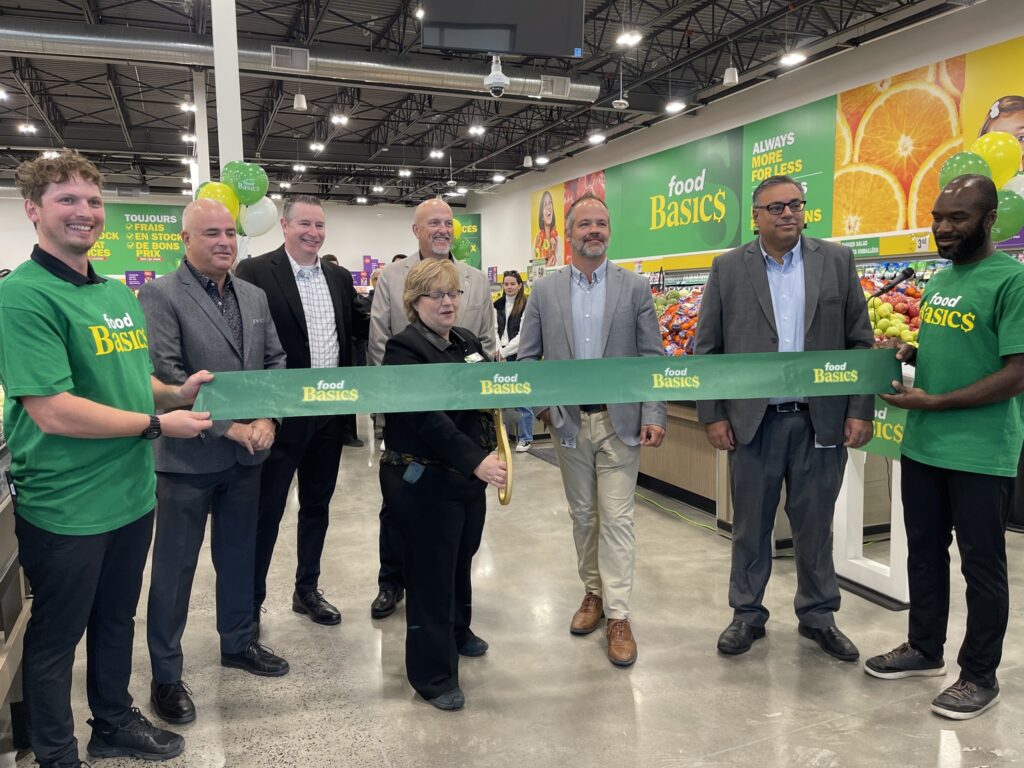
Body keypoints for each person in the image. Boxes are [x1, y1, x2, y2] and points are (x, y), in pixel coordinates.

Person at [0, 151, 212, 767]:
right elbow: (54, 410)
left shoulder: (117, 292)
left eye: (92, 201)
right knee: (57, 636)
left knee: (117, 620)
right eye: (67, 199)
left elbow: (132, 378)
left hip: (129, 493)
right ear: (33, 210)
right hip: (66, 502)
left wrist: (174, 394)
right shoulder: (22, 296)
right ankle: (55, 752)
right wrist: (156, 424)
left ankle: (113, 722)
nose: (85, 212)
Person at [694, 174, 873, 661]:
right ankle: (747, 614)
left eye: (795, 204)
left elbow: (860, 341)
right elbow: (707, 348)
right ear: (756, 216)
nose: (788, 213)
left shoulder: (835, 261)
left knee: (816, 526)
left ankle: (819, 615)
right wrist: (712, 414)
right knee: (750, 526)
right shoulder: (728, 268)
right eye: (775, 207)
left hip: (821, 422)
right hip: (755, 422)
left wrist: (860, 408)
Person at [865, 175, 1024, 720]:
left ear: (988, 219)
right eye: (937, 217)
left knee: (982, 567)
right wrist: (905, 347)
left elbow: (1016, 375)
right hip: (924, 448)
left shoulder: (1012, 281)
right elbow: (943, 349)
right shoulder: (938, 280)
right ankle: (924, 647)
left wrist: (933, 404)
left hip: (981, 451)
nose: (943, 228)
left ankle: (979, 675)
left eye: (957, 218)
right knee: (924, 553)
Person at [139, 198, 290, 727]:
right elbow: (169, 376)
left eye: (230, 232)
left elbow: (274, 361)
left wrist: (269, 416)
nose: (224, 241)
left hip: (248, 458)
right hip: (185, 459)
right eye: (211, 234)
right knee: (175, 572)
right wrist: (234, 428)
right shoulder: (159, 294)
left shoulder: (252, 294)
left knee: (238, 558)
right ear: (185, 240)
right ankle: (166, 674)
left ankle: (238, 642)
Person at [517, 194, 667, 668]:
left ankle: (619, 616)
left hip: (620, 422)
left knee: (618, 518)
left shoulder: (634, 287)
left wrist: (654, 414)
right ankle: (594, 595)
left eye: (602, 223)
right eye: (585, 224)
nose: (595, 231)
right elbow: (527, 358)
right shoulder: (545, 291)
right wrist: (544, 410)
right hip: (569, 423)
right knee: (583, 516)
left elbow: (652, 358)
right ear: (569, 233)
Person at [235, 195, 367, 635]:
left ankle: (306, 590)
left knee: (317, 506)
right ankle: (249, 604)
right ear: (284, 226)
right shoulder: (254, 273)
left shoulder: (338, 276)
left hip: (328, 416)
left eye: (320, 225)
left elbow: (354, 333)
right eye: (305, 224)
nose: (314, 232)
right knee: (266, 511)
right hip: (278, 416)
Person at [379, 258, 506, 710]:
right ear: (415, 302)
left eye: (453, 293)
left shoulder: (467, 341)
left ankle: (458, 630)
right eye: (437, 294)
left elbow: (483, 399)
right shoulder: (403, 348)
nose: (449, 301)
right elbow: (426, 419)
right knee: (431, 574)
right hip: (421, 478)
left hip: (464, 478)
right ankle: (432, 676)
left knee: (459, 560)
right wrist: (477, 461)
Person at [367, 198, 496, 620]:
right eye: (433, 223)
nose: (448, 302)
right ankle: (392, 581)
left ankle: (458, 626)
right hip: (418, 442)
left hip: (464, 446)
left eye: (448, 222)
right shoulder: (393, 281)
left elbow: (486, 348)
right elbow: (381, 345)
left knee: (457, 549)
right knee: (412, 531)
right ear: (416, 230)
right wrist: (387, 415)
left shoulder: (475, 279)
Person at [494, 269, 533, 452]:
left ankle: (525, 438)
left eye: (512, 284)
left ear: (519, 285)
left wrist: (505, 352)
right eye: (506, 284)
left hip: (518, 356)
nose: (509, 287)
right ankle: (502, 438)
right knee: (501, 400)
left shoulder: (527, 304)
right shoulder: (496, 305)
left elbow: (523, 335)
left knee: (522, 398)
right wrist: (498, 353)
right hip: (499, 356)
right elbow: (492, 329)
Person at [534, 190, 560, 267]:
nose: (549, 207)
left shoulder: (558, 239)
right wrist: (546, 268)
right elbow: (534, 270)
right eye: (545, 205)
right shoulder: (537, 240)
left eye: (550, 203)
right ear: (541, 216)